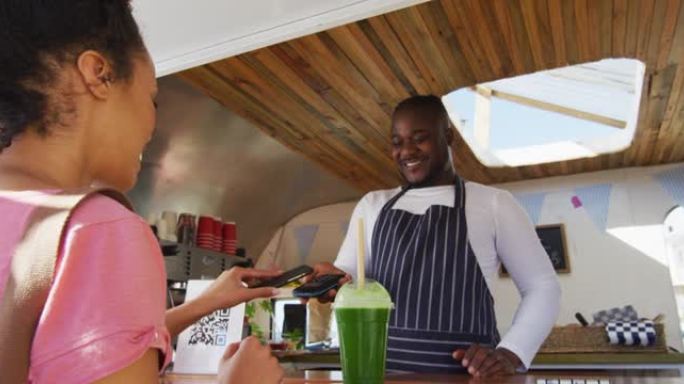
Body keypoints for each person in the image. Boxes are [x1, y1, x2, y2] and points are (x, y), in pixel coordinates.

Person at [0, 1, 283, 383]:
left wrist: (205, 304)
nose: (153, 122)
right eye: (152, 97)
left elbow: (58, 349)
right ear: (98, 75)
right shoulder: (96, 231)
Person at [308, 95, 561, 377]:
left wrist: (510, 352)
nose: (406, 151)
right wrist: (331, 281)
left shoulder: (494, 204)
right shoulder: (373, 204)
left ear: (448, 136)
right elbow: (352, 279)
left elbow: (542, 286)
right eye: (397, 142)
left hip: (467, 379)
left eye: (419, 138)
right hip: (381, 376)